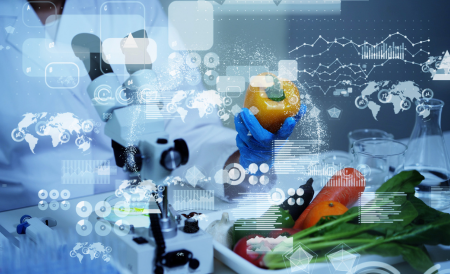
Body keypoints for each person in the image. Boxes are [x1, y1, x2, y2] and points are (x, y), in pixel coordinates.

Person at [0, 0, 303, 211]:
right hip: (25, 228)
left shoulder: (130, 6)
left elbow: (189, 130)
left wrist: (245, 163)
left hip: (135, 211)